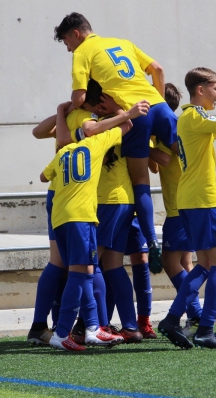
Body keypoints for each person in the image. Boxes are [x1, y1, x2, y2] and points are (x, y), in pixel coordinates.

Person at [54, 12, 178, 272]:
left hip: (132, 112)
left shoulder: (82, 52)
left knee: (141, 181)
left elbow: (78, 98)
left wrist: (72, 109)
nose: (68, 48)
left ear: (76, 34)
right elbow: (158, 69)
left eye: (66, 41)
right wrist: (156, 100)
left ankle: (153, 241)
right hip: (158, 104)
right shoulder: (123, 42)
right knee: (188, 157)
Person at [42, 98, 148, 352]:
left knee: (85, 271)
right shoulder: (96, 145)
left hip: (60, 217)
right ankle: (62, 331)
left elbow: (44, 176)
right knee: (81, 274)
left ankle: (92, 327)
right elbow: (127, 126)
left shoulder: (62, 153)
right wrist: (120, 110)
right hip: (83, 217)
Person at [158, 68, 216, 349]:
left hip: (189, 201)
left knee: (204, 264)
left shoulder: (190, 118)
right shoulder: (195, 115)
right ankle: (206, 328)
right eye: (215, 88)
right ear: (200, 90)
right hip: (203, 200)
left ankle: (171, 320)